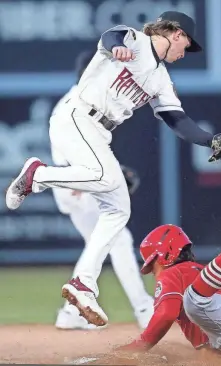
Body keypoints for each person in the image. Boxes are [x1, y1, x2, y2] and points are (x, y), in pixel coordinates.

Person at [5, 11, 221, 327]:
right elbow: (111, 37)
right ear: (175, 33)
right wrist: (117, 47)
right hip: (78, 117)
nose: (185, 51)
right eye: (186, 43)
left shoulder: (160, 80)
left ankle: (83, 283)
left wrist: (211, 140)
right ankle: (39, 175)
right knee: (105, 179)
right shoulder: (135, 39)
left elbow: (178, 120)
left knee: (118, 209)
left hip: (97, 132)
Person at [52, 52, 153, 330]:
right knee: (118, 239)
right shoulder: (81, 101)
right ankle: (144, 308)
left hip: (73, 182)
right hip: (79, 184)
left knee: (97, 244)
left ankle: (70, 313)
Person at [119, 217, 221, 360]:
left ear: (165, 256)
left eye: (152, 265)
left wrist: (139, 346)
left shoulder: (172, 274)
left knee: (192, 301)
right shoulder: (201, 271)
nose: (152, 272)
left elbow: (166, 314)